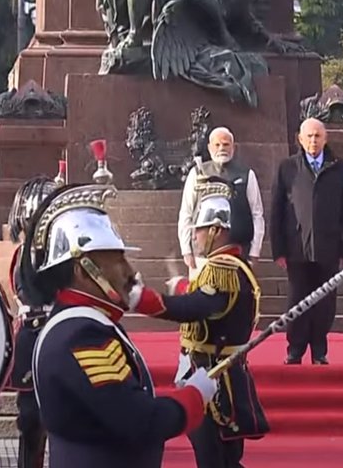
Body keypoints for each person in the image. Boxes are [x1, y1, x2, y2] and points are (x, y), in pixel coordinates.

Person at [23, 182, 218, 468]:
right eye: (117, 260)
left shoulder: (88, 323)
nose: (129, 270)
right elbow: (139, 420)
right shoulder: (80, 335)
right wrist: (193, 397)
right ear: (83, 270)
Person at [151, 181, 268, 468]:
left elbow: (195, 309)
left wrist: (141, 299)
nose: (195, 236)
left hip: (216, 381)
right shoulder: (228, 266)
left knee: (214, 459)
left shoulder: (222, 270)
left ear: (216, 230)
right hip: (216, 372)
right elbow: (210, 305)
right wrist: (183, 287)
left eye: (200, 230)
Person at [270, 118, 343, 365]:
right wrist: (278, 249)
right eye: (308, 136)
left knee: (325, 301)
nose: (313, 141)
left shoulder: (340, 168)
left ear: (325, 138)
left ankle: (319, 349)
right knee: (297, 299)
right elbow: (276, 210)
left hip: (329, 247)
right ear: (300, 138)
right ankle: (295, 348)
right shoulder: (287, 168)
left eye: (317, 136)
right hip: (296, 248)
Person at [4, 173, 61, 468]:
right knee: (30, 419)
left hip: (56, 336)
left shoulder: (60, 252)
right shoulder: (24, 253)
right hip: (32, 335)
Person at [178, 127, 265, 277]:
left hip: (238, 252)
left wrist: (254, 251)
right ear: (209, 147)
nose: (222, 148)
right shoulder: (197, 173)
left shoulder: (247, 174)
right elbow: (186, 212)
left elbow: (257, 214)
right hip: (202, 254)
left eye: (226, 144)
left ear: (233, 147)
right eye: (217, 145)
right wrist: (186, 250)